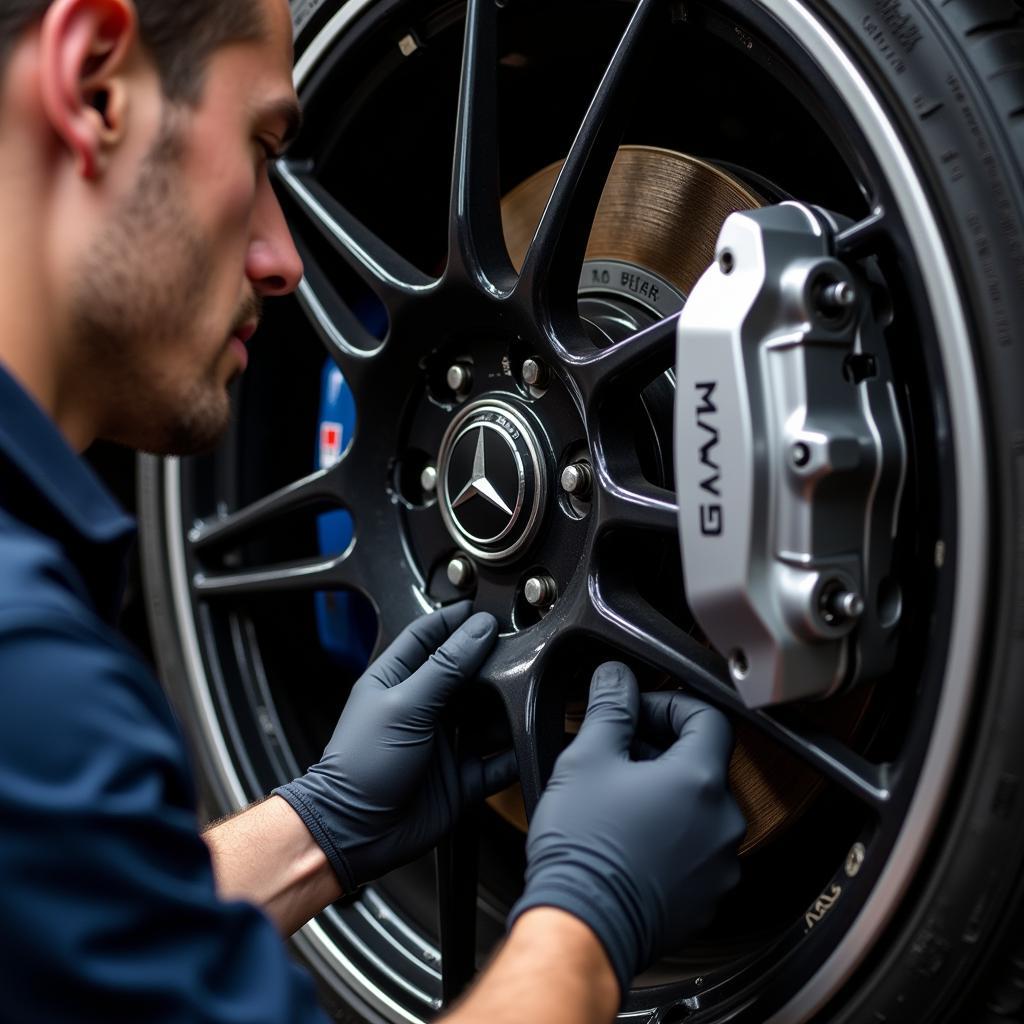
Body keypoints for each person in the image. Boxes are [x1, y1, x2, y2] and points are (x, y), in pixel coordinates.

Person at [0, 0, 747, 1020]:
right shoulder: (28, 678)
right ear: (92, 85)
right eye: (263, 149)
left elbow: (58, 937)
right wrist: (588, 918)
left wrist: (317, 827)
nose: (283, 255)